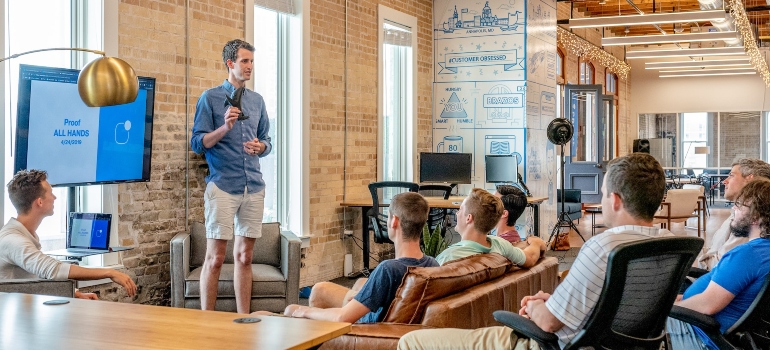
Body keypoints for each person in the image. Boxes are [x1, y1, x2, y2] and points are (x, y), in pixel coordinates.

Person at [398, 152, 672, 350]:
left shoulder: (603, 248)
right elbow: (613, 301)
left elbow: (549, 323)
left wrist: (536, 305)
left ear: (614, 200)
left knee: (412, 341)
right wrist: (554, 300)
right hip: (603, 342)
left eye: (602, 194)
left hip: (546, 344)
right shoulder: (668, 244)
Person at [190, 39, 272, 313]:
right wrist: (225, 128)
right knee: (215, 259)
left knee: (245, 256)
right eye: (245, 61)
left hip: (253, 187)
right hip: (223, 187)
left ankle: (244, 321)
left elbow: (267, 142)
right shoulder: (210, 98)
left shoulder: (257, 101)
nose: (250, 66)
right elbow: (198, 143)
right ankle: (207, 321)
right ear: (230, 63)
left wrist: (260, 147)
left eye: (252, 61)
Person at [280, 192, 438, 323]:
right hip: (393, 320)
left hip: (367, 328)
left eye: (389, 217)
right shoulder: (433, 264)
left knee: (301, 302)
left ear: (394, 221)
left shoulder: (388, 269)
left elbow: (342, 317)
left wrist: (301, 310)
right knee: (344, 287)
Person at [0, 170, 137, 300]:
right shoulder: (13, 240)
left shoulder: (26, 234)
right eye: (51, 193)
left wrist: (75, 294)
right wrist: (109, 272)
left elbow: (34, 276)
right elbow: (53, 270)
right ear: (40, 202)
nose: (54, 197)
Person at [668, 179, 770, 349]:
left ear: (755, 216)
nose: (733, 209)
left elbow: (706, 305)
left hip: (700, 335)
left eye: (739, 205)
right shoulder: (762, 252)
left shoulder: (747, 254)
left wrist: (664, 307)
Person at [435, 188, 546, 267]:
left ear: (469, 218)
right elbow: (530, 258)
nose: (457, 213)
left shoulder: (447, 258)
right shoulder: (501, 245)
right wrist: (537, 242)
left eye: (460, 209)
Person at [697, 158, 770, 270]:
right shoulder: (743, 213)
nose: (724, 181)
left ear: (749, 179)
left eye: (731, 175)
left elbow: (722, 265)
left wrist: (696, 259)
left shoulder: (747, 219)